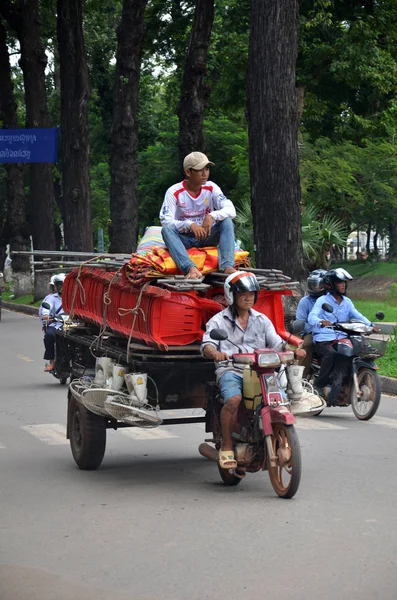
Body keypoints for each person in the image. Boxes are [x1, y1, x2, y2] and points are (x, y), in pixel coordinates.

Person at [201, 271, 306, 470]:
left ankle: (278, 438)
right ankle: (228, 445)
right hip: (232, 369)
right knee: (233, 400)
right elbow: (207, 344)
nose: (249, 298)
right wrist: (215, 353)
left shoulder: (262, 320)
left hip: (261, 370)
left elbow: (276, 343)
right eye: (243, 294)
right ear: (231, 295)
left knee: (281, 401)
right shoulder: (218, 321)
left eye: (251, 294)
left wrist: (292, 350)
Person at [308, 267, 380, 405]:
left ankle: (340, 387)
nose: (343, 285)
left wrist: (371, 325)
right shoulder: (323, 300)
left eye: (344, 283)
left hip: (341, 337)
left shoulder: (347, 302)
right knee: (331, 355)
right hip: (324, 338)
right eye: (339, 282)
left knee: (351, 354)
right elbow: (312, 316)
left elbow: (357, 315)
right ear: (331, 284)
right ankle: (319, 385)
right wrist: (321, 322)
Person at [160, 151, 237, 280]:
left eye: (207, 169)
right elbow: (166, 221)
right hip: (184, 239)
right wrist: (190, 225)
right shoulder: (174, 192)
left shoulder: (212, 187)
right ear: (188, 172)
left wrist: (212, 215)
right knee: (166, 230)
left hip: (207, 236)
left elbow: (231, 210)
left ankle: (227, 266)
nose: (205, 173)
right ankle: (190, 268)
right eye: (200, 170)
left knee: (227, 221)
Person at [295, 269, 327, 375]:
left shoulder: (330, 299)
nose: (316, 288)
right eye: (313, 285)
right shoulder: (305, 302)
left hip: (330, 331)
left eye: (319, 285)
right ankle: (300, 377)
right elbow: (301, 322)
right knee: (307, 345)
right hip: (310, 333)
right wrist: (317, 328)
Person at [41, 273, 66, 372]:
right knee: (49, 336)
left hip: (71, 325)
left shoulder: (73, 297)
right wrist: (46, 315)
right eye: (59, 285)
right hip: (55, 324)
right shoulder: (52, 298)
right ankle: (52, 362)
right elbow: (46, 308)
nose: (62, 288)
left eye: (63, 285)